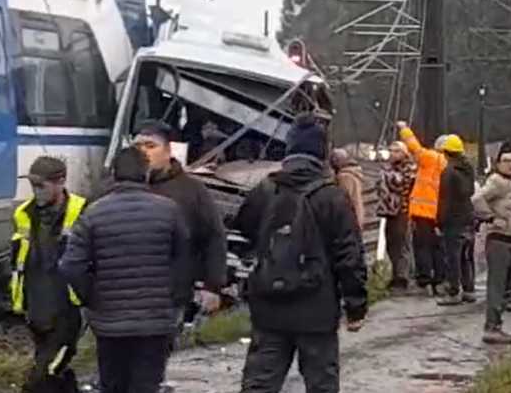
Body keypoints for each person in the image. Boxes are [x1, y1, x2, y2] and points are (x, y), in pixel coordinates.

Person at [233, 114, 369, 393]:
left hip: (269, 307)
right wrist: (356, 306)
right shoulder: (332, 196)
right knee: (321, 385)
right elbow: (349, 254)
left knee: (260, 384)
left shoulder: (265, 190)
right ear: (322, 154)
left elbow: (242, 232)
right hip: (317, 310)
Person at [59, 147, 189, 393]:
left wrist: (91, 297)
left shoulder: (94, 214)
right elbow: (184, 260)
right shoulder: (169, 210)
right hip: (155, 320)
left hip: (109, 321)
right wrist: (174, 298)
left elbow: (70, 265)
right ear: (146, 173)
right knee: (146, 385)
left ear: (114, 174)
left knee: (113, 385)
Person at [131, 120, 228, 388]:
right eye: (138, 146)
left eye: (151, 146)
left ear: (168, 150)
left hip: (171, 291)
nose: (144, 152)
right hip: (125, 291)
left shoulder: (192, 190)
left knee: (154, 356)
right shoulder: (115, 187)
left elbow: (214, 238)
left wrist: (213, 285)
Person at [11, 156, 86, 393]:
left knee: (42, 378)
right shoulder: (24, 215)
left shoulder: (84, 213)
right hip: (36, 312)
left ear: (60, 182)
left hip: (68, 313)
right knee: (58, 378)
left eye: (41, 185)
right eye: (33, 186)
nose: (36, 192)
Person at [471, 146, 511, 344]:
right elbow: (477, 198)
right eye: (506, 161)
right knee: (497, 285)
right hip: (500, 239)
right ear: (498, 163)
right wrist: (491, 217)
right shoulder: (497, 181)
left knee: (508, 286)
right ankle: (492, 326)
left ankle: (497, 324)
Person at [397, 120, 447, 296]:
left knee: (422, 246)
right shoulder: (449, 164)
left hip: (423, 211)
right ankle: (440, 279)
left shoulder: (432, 159)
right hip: (440, 212)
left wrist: (404, 129)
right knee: (438, 247)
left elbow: (414, 148)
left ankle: (424, 279)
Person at [435, 134, 476, 306]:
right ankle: (469, 290)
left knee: (452, 257)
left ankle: (453, 291)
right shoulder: (468, 169)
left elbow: (445, 199)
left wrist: (439, 221)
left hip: (453, 220)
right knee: (465, 256)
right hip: (467, 216)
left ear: (447, 152)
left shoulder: (449, 172)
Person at [376, 140, 417, 294]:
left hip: (403, 211)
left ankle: (403, 278)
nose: (392, 154)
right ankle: (396, 274)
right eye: (390, 151)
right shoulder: (388, 168)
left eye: (396, 151)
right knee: (391, 243)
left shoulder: (409, 169)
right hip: (389, 211)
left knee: (401, 245)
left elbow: (398, 184)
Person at [331, 148, 366, 230]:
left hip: (350, 218)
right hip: (356, 214)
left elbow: (345, 198)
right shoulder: (352, 173)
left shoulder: (345, 177)